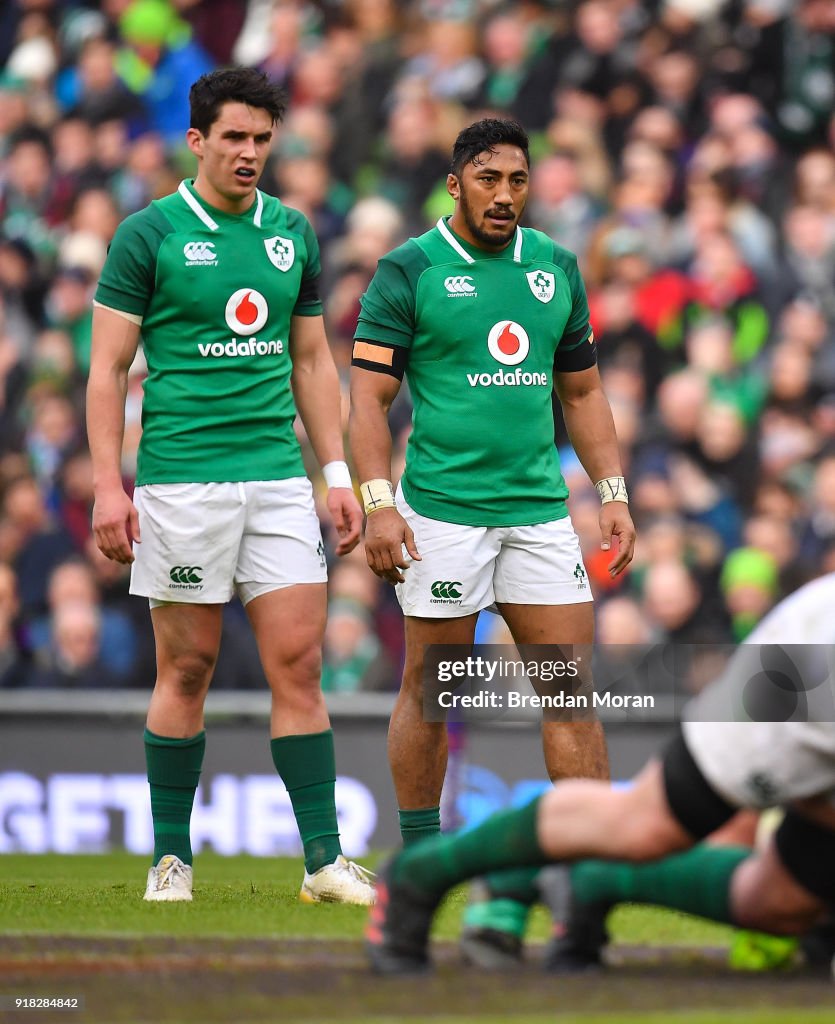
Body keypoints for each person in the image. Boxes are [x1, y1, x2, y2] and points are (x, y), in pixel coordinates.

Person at [87, 67, 374, 905]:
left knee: (300, 663)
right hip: (181, 482)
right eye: (235, 138)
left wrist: (334, 475)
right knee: (187, 669)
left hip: (278, 481)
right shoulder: (148, 234)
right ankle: (170, 860)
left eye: (261, 138)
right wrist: (111, 485)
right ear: (198, 141)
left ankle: (322, 861)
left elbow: (314, 360)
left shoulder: (292, 232)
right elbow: (106, 370)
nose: (250, 153)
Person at [349, 117, 634, 836]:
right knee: (429, 692)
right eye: (487, 179)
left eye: (516, 180)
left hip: (538, 514)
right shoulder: (409, 269)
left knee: (569, 691)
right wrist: (379, 506)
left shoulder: (554, 268)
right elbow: (368, 401)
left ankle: (587, 865)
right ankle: (418, 857)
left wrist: (612, 493)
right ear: (454, 186)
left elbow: (582, 394)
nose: (504, 194)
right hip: (442, 514)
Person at [365, 572, 835, 973]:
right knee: (646, 823)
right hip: (815, 673)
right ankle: (421, 872)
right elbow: (736, 823)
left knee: (782, 902)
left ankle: (591, 880)